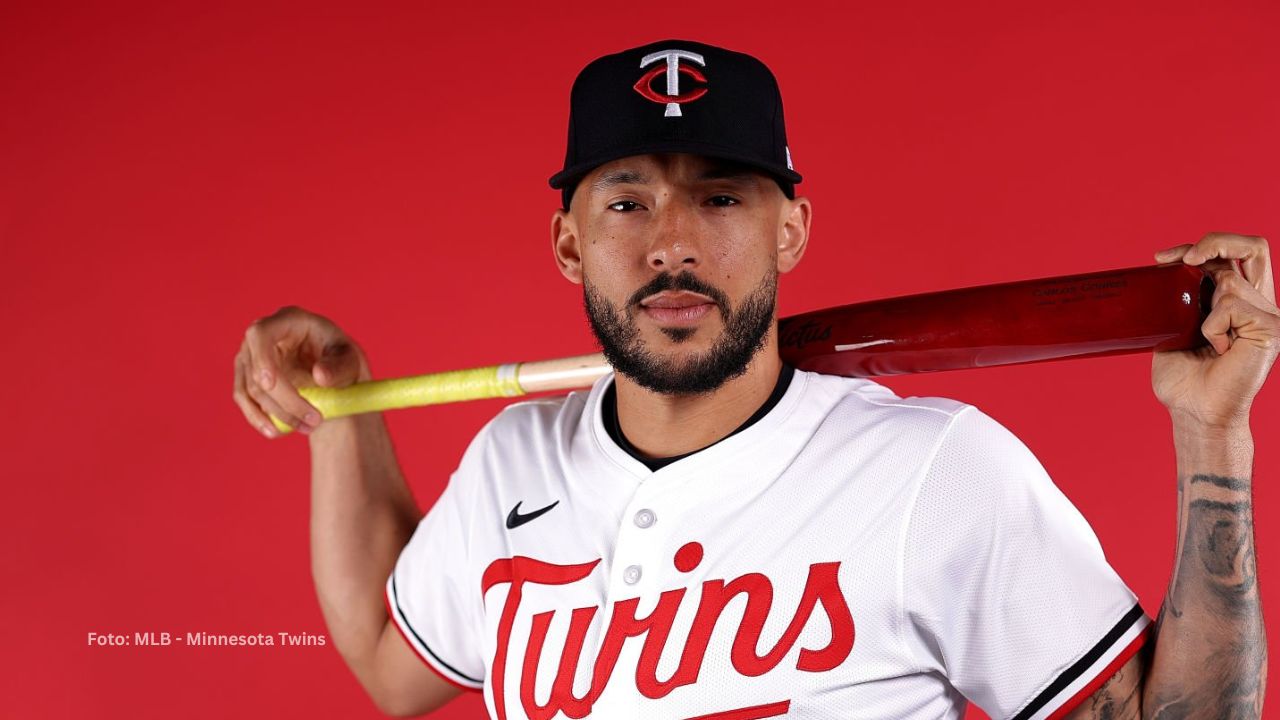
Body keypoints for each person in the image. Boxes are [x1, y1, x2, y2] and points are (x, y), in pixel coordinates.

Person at [231, 40, 1276, 719]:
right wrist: (341, 406)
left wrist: (1211, 437)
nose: (671, 245)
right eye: (626, 203)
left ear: (790, 230)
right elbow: (385, 659)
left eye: (720, 199)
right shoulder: (515, 457)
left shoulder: (929, 469)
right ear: (567, 244)